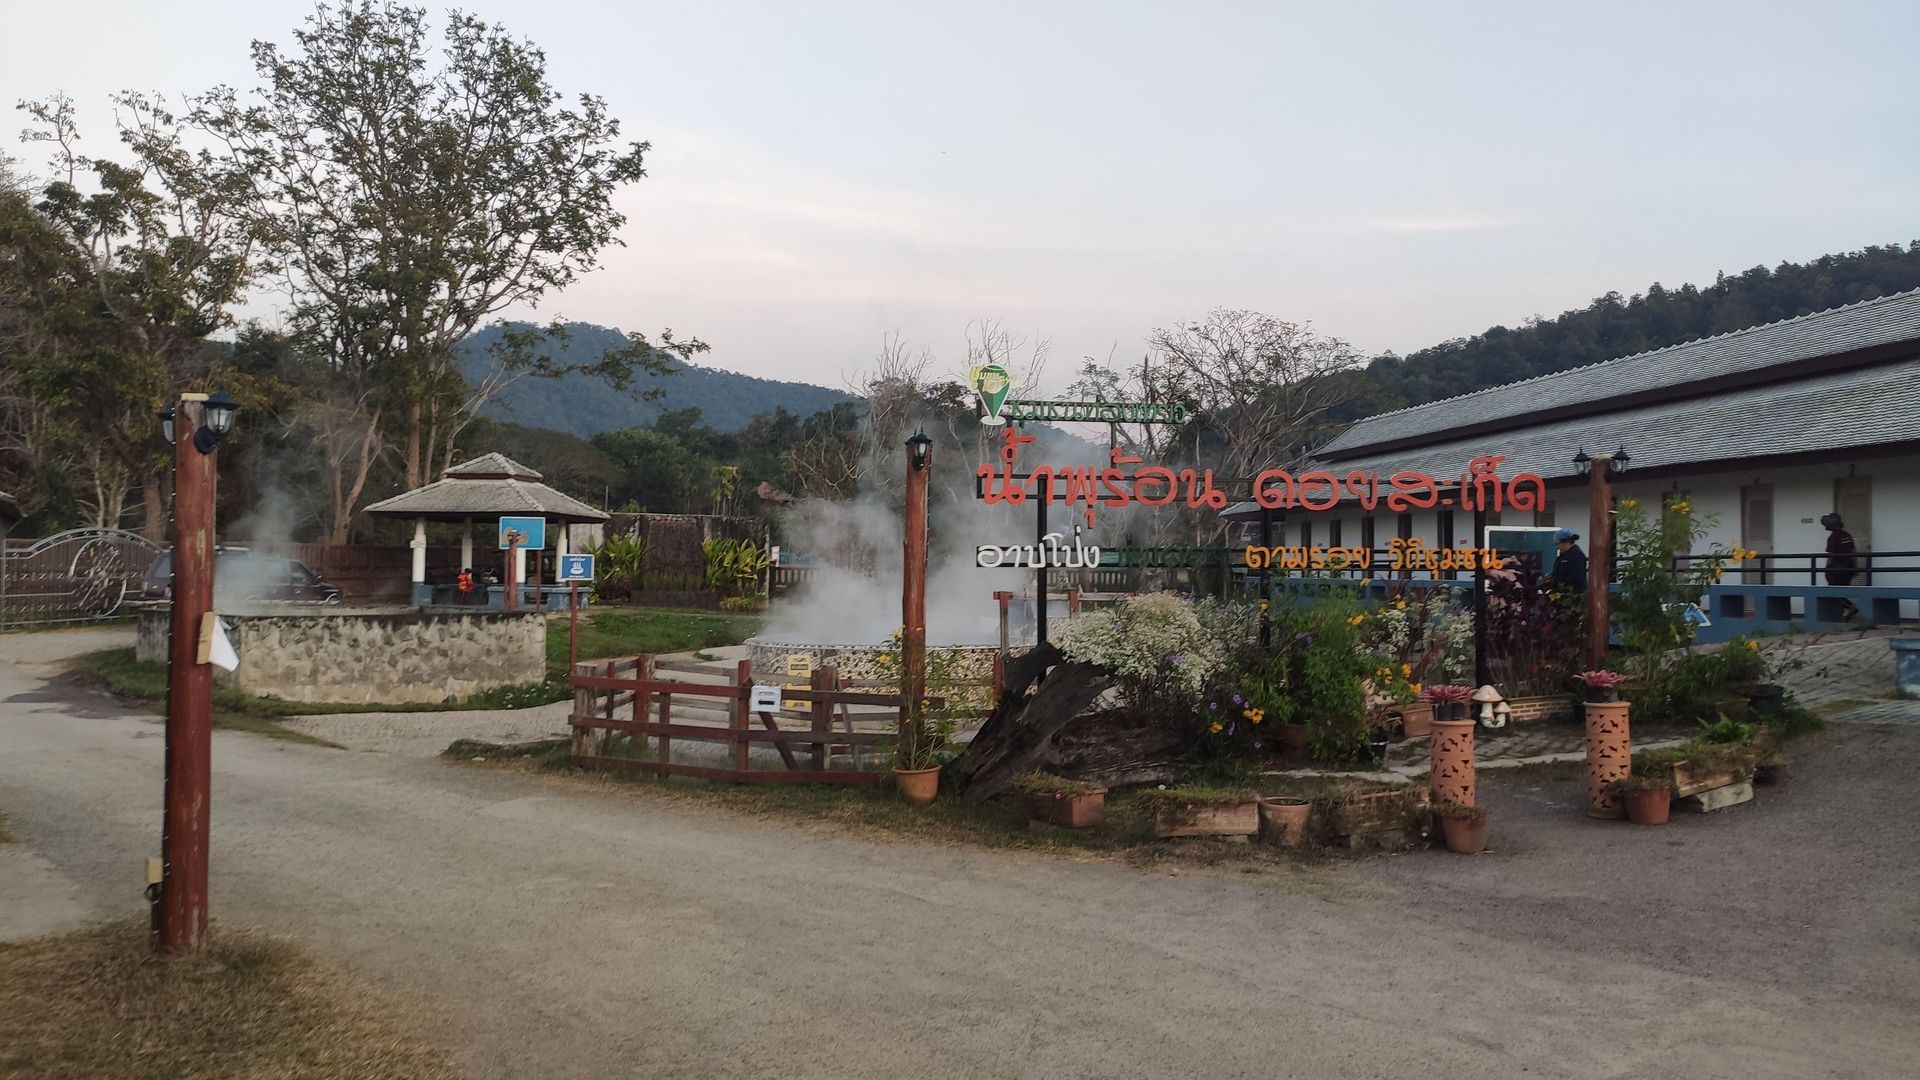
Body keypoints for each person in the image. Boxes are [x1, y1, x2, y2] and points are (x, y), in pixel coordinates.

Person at [1821, 513, 1858, 586]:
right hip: (1849, 567)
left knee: (1835, 590)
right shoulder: (1847, 535)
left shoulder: (1833, 537)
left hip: (1836, 569)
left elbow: (1830, 556)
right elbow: (1854, 551)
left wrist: (1827, 569)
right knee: (1845, 588)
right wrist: (1855, 567)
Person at [1551, 528, 1588, 592]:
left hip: (1572, 594)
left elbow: (1577, 577)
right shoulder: (1563, 556)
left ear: (1566, 542)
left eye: (1557, 544)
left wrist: (1558, 581)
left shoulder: (1576, 555)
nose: (1557, 547)